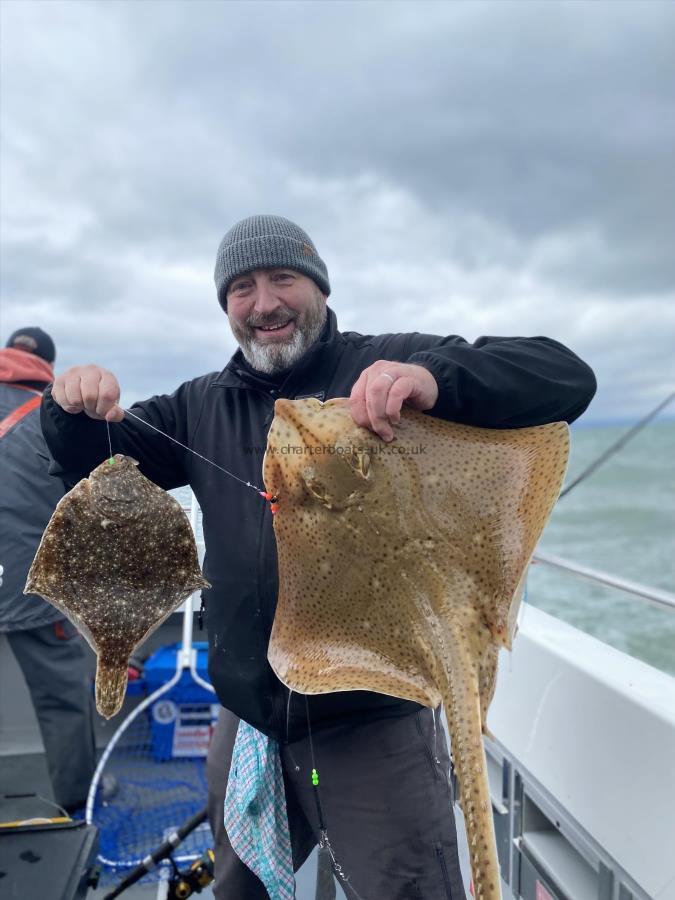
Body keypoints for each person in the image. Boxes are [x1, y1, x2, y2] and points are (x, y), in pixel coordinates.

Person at [40, 215, 597, 898]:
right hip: (248, 719)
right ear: (225, 308)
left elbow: (564, 377)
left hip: (369, 719)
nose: (264, 302)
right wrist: (69, 404)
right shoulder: (198, 406)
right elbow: (82, 454)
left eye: (283, 279)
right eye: (241, 288)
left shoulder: (384, 361)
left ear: (320, 287)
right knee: (237, 889)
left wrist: (432, 379)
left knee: (406, 887)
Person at [0, 327, 97, 815]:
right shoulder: (52, 418)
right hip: (28, 586)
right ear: (48, 369)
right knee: (63, 701)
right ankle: (77, 808)